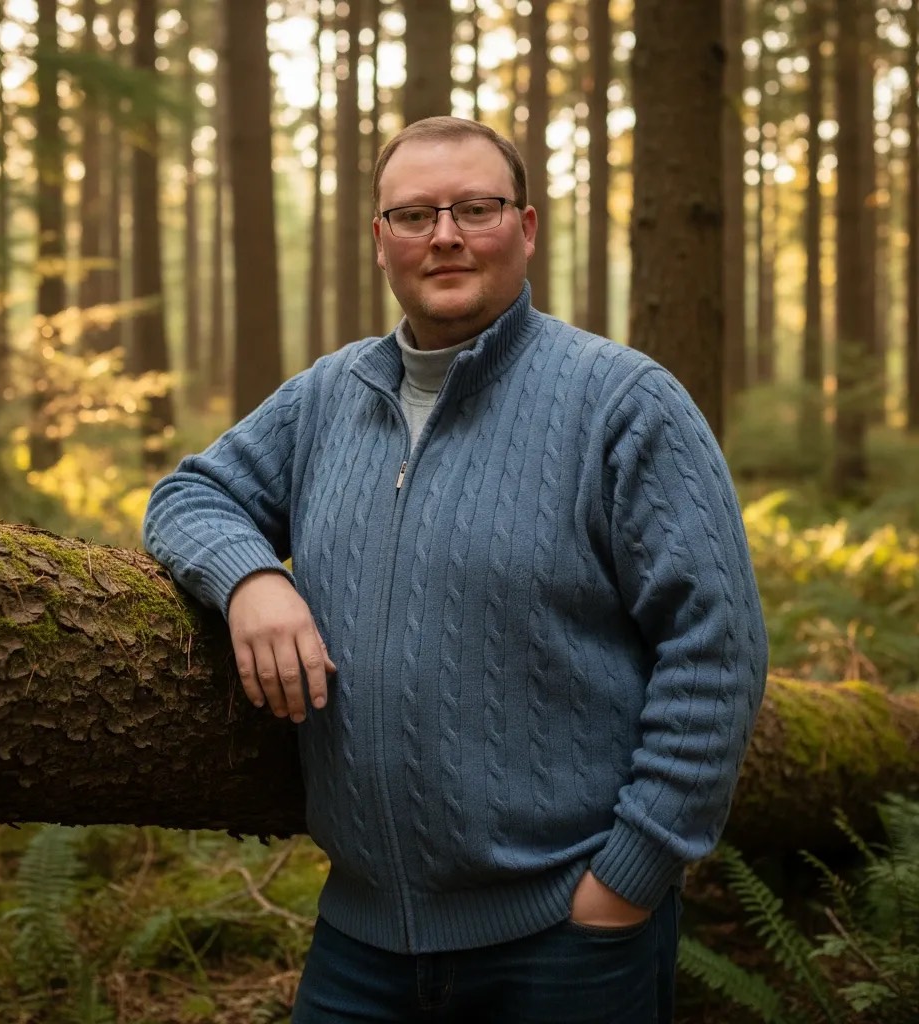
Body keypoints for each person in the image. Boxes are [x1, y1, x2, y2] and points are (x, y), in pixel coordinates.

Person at [143, 115, 768, 1023]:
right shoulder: (328, 395)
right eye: (413, 215)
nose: (443, 235)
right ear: (381, 240)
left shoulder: (623, 404)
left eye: (475, 208)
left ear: (525, 226)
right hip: (361, 944)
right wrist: (252, 579)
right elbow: (188, 496)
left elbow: (718, 649)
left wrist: (626, 881)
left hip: (566, 944)